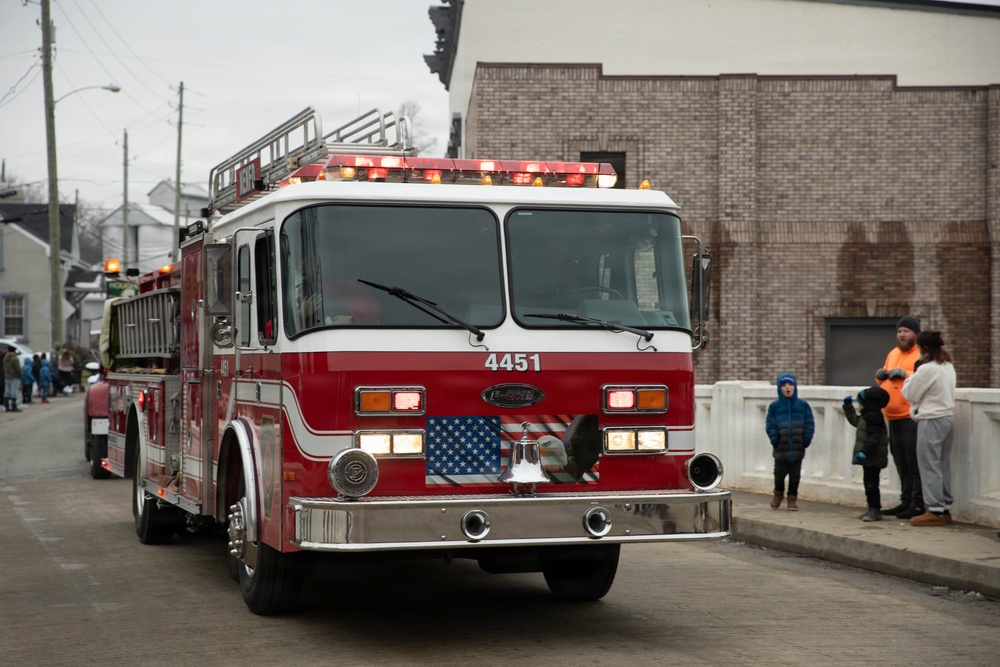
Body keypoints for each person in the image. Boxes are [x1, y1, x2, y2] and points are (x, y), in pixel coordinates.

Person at [901, 331, 957, 527]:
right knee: (942, 464)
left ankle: (934, 510)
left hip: (931, 419)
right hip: (947, 418)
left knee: (929, 464)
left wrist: (910, 377)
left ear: (924, 349)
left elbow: (909, 393)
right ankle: (945, 509)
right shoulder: (947, 366)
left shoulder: (927, 369)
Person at [876, 315, 923, 519]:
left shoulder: (921, 353)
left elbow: (924, 377)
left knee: (913, 462)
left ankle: (917, 503)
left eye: (906, 331)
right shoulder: (893, 353)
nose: (902, 335)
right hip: (892, 415)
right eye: (899, 331)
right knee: (900, 461)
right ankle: (905, 501)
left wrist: (904, 373)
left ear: (915, 334)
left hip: (910, 416)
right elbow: (884, 381)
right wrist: (880, 376)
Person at [765, 372, 815, 511]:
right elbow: (770, 424)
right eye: (784, 385)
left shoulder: (803, 405)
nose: (787, 388)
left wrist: (806, 440)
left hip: (798, 448)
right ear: (779, 388)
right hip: (780, 448)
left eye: (790, 385)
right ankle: (778, 494)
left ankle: (792, 499)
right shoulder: (775, 406)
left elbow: (810, 424)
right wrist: (775, 439)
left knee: (795, 476)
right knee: (779, 475)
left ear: (795, 387)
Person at [843, 386, 890, 521]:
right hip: (870, 458)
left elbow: (873, 438)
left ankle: (875, 510)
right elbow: (855, 421)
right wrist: (848, 408)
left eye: (860, 403)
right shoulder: (868, 416)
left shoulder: (874, 418)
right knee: (869, 483)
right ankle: (871, 508)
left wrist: (864, 452)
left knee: (871, 484)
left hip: (873, 457)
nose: (859, 406)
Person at [3, 345, 22, 412]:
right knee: (13, 391)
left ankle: (7, 406)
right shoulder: (15, 359)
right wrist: (20, 375)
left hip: (6, 376)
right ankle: (14, 406)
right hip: (14, 377)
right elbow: (17, 368)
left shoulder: (5, 358)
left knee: (7, 391)